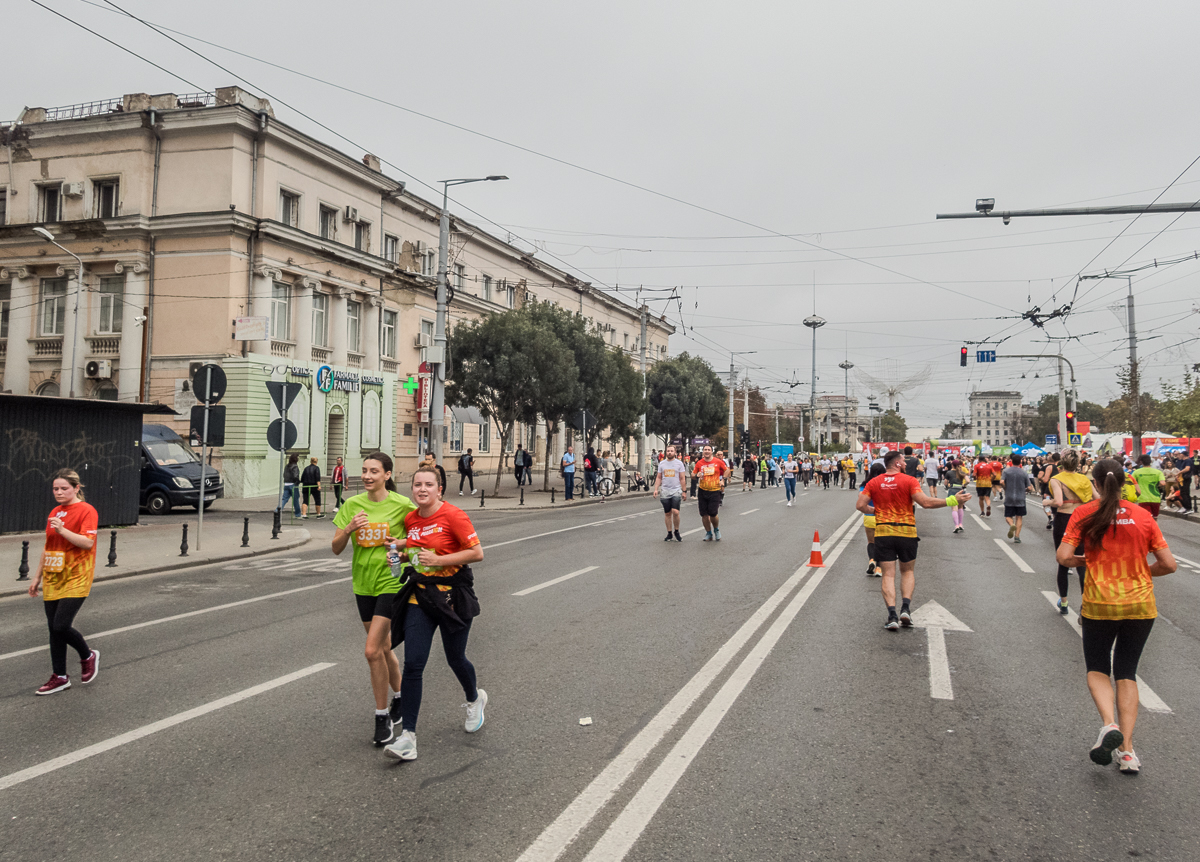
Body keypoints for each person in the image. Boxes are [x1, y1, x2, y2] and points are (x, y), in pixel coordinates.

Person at [1056, 458, 1176, 774]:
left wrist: (1087, 562)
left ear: (1094, 484)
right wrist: (1141, 571)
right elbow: (1169, 564)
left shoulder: (1084, 514)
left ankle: (1109, 724)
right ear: (1124, 483)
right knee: (1126, 671)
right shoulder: (1143, 516)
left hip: (1099, 605)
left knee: (1098, 668)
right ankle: (1128, 752)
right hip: (1140, 605)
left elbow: (1064, 557)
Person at [384, 466, 485, 762]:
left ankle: (474, 698)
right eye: (417, 485)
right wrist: (401, 554)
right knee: (414, 664)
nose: (422, 489)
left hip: (453, 597)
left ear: (439, 489)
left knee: (456, 658)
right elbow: (418, 550)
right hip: (422, 596)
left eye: (429, 484)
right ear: (411, 489)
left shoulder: (453, 515)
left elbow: (476, 553)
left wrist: (442, 559)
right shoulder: (411, 519)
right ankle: (408, 738)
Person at [331, 452, 417, 746]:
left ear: (387, 475)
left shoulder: (402, 506)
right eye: (365, 471)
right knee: (383, 646)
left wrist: (402, 549)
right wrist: (348, 529)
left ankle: (382, 719)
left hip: (391, 581)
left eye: (374, 471)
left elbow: (417, 541)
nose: (367, 476)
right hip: (362, 583)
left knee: (371, 651)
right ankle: (402, 697)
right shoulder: (352, 505)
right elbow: (336, 548)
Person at [857, 450, 970, 631]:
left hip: (884, 532)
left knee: (887, 574)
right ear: (897, 464)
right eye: (903, 460)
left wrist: (877, 512)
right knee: (907, 571)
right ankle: (906, 609)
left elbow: (860, 505)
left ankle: (892, 615)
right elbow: (925, 503)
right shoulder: (910, 481)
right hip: (907, 532)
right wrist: (951, 500)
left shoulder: (874, 482)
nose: (905, 463)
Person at [28, 469, 100, 695]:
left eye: (63, 488)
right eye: (55, 489)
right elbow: (48, 546)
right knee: (53, 629)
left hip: (77, 575)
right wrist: (36, 577)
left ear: (76, 488)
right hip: (52, 575)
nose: (58, 492)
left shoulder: (87, 510)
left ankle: (88, 655)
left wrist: (64, 530)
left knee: (61, 625)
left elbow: (87, 543)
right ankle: (59, 676)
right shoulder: (54, 512)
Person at [1050, 449, 1092, 615]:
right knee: (1082, 562)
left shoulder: (1057, 479)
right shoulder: (1084, 479)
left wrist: (1047, 501)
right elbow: (1096, 497)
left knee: (1063, 561)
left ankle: (1065, 602)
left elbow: (1059, 501)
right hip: (1082, 519)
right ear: (1078, 464)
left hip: (1064, 520)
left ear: (1061, 463)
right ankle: (1085, 604)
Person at [692, 444, 729, 541]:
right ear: (703, 452)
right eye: (705, 450)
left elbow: (727, 470)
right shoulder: (699, 463)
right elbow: (692, 474)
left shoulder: (718, 462)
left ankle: (716, 529)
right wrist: (696, 475)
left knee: (713, 513)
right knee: (703, 514)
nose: (707, 451)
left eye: (708, 449)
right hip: (702, 490)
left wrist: (723, 480)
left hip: (715, 490)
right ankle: (708, 533)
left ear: (712, 451)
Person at [654, 444, 688, 541]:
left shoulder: (679, 464)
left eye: (671, 451)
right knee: (667, 513)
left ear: (675, 453)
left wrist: (684, 491)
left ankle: (676, 530)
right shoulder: (662, 464)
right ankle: (669, 533)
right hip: (665, 491)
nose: (669, 452)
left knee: (675, 511)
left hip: (676, 490)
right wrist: (656, 489)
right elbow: (659, 477)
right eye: (668, 451)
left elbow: (682, 478)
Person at [1000, 454, 1035, 543]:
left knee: (1008, 516)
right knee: (1019, 517)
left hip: (1009, 496)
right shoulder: (1023, 472)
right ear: (1020, 462)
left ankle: (1012, 524)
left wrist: (1005, 488)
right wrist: (1025, 490)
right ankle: (1017, 536)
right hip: (1020, 497)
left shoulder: (1006, 471)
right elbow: (1029, 487)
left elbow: (1001, 482)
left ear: (1011, 461)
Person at [862, 461, 886, 576]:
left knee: (871, 542)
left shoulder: (865, 484)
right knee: (882, 543)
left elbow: (861, 501)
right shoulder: (885, 485)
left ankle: (872, 560)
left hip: (869, 517)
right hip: (883, 517)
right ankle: (879, 569)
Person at [1131, 454, 1166, 520]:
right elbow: (1163, 483)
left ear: (1141, 462)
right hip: (1155, 498)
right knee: (1155, 519)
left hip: (1142, 498)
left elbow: (1131, 482)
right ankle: (1155, 530)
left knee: (1145, 519)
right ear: (1150, 461)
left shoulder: (1136, 472)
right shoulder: (1158, 472)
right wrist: (1156, 485)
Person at [945, 459, 969, 534]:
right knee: (960, 507)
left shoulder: (949, 473)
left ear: (952, 465)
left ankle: (956, 526)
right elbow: (968, 481)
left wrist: (947, 486)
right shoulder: (962, 472)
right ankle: (961, 524)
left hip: (952, 490)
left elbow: (945, 482)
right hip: (961, 490)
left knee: (954, 507)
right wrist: (964, 485)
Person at [281, 453, 301, 517]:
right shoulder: (295, 466)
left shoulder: (287, 466)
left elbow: (284, 475)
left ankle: (277, 510)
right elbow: (295, 476)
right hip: (293, 484)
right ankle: (298, 514)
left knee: (284, 499)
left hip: (286, 484)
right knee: (296, 500)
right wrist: (298, 481)